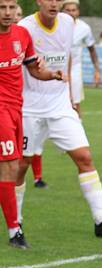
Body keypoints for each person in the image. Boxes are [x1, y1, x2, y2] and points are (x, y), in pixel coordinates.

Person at [17, 0, 102, 239]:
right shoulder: (25, 26)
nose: (54, 3)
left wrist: (70, 97)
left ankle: (101, 221)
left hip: (60, 105)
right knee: (21, 165)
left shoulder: (68, 23)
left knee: (84, 157)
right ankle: (16, 224)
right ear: (39, 1)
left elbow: (66, 56)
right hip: (30, 108)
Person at [0, 0, 62, 248]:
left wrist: (52, 74)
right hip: (1, 111)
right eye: (2, 7)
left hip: (17, 109)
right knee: (9, 166)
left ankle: (14, 225)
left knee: (13, 168)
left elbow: (34, 70)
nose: (7, 13)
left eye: (11, 7)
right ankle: (15, 230)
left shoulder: (22, 35)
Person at [62, 0, 101, 115]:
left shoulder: (84, 28)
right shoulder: (56, 25)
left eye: (73, 10)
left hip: (74, 68)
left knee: (75, 100)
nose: (70, 13)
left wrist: (97, 70)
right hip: (57, 67)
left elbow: (92, 50)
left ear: (78, 12)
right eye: (67, 10)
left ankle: (78, 124)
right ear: (62, 11)